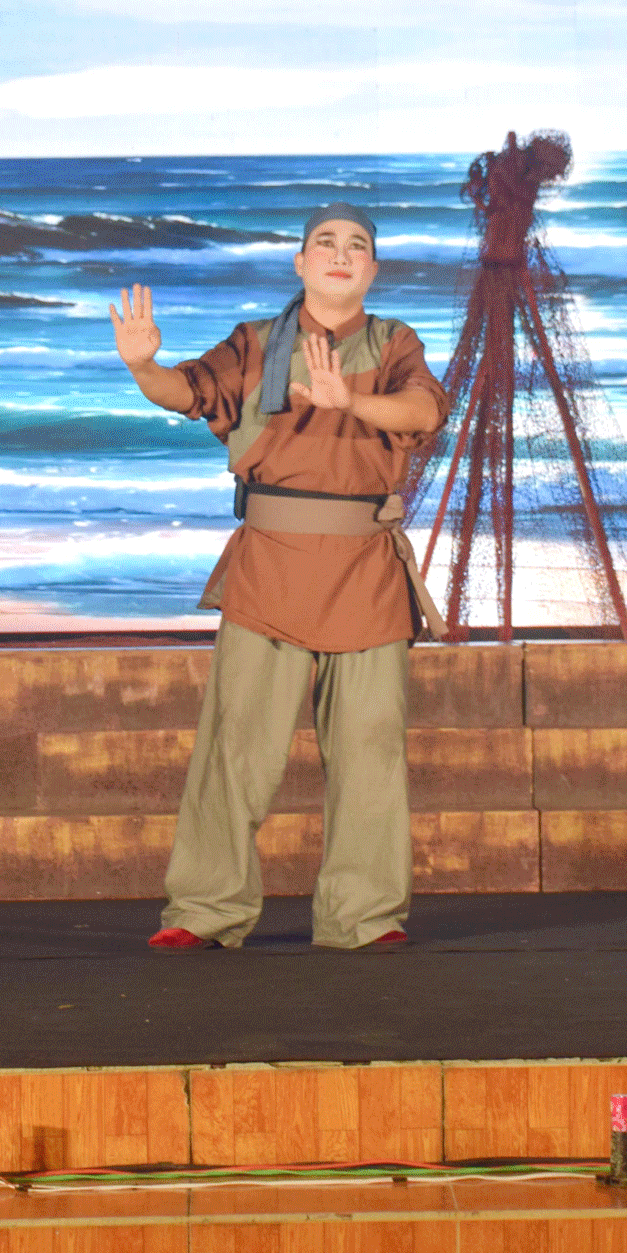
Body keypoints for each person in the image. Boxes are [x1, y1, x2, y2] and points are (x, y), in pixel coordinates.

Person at [109, 203, 448, 951]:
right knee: (236, 749)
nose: (340, 253)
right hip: (270, 568)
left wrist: (350, 400)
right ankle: (205, 910)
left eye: (356, 245)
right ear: (299, 263)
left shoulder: (394, 343)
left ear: (373, 269)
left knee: (370, 752)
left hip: (363, 570)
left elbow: (423, 412)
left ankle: (363, 919)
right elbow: (187, 392)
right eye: (324, 243)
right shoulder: (258, 343)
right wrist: (142, 367)